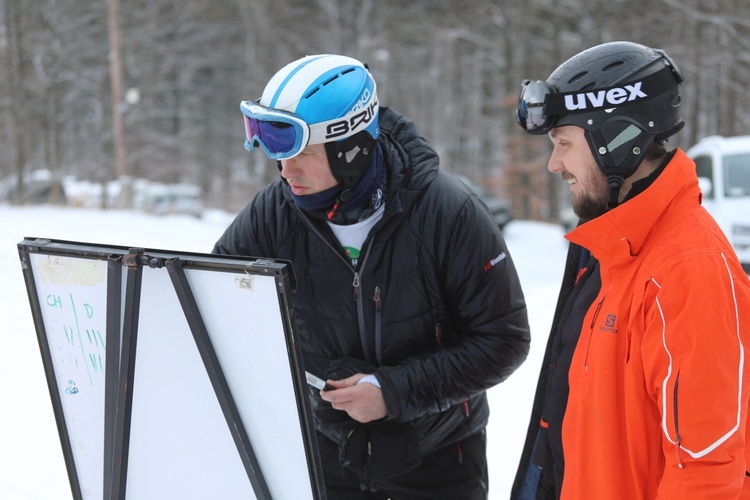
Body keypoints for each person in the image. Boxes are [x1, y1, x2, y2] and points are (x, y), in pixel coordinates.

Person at [212, 54, 531, 499]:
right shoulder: (273, 213)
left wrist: (394, 390)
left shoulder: (449, 213)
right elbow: (219, 306)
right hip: (328, 450)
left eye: (302, 152)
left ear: (350, 150)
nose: (286, 171)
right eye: (277, 153)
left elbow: (503, 340)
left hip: (437, 454)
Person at [511, 41, 750, 499]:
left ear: (616, 141)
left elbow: (706, 473)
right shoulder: (614, 255)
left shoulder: (686, 271)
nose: (554, 164)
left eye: (563, 144)